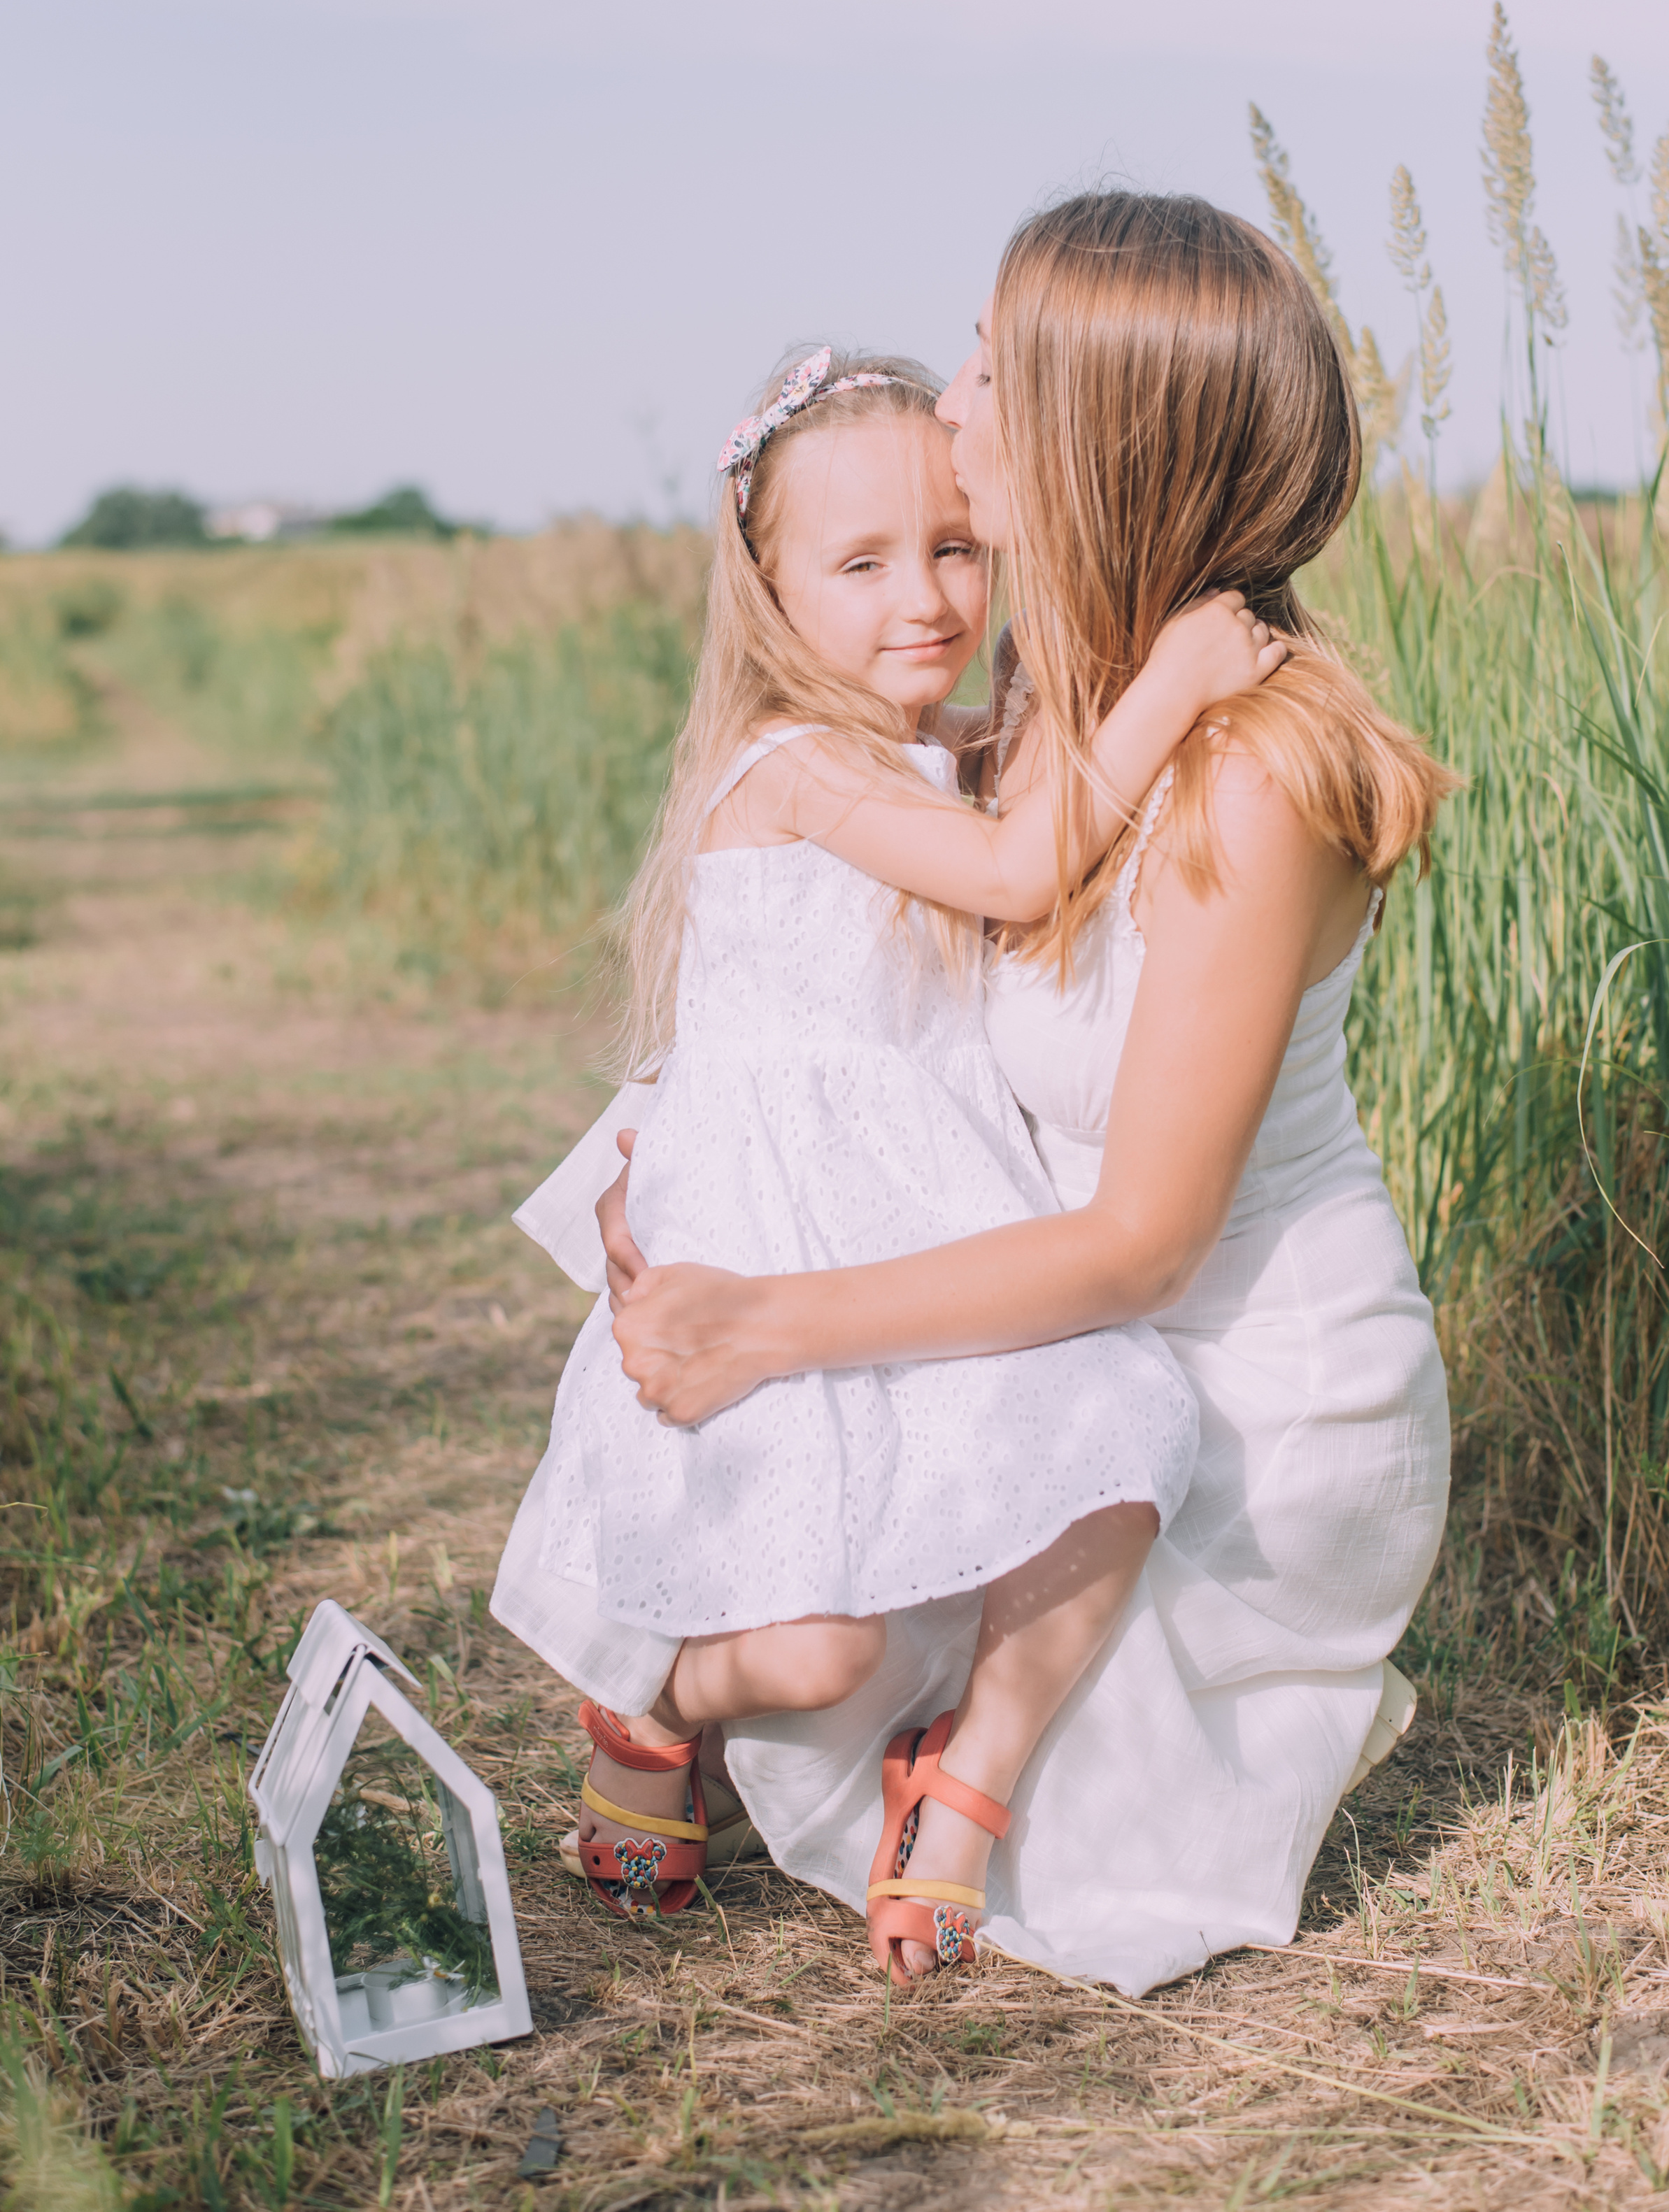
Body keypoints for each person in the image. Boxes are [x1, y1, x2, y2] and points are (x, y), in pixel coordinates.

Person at [599, 197, 1457, 1994]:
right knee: (812, 1617)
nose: (957, 397)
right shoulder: (1041, 711)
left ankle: (925, 1735)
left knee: (985, 1770)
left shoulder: (1249, 772)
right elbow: (826, 1007)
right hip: (1057, 1339)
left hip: (1225, 1406)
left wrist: (770, 1321)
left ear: (1089, 427)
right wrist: (673, 1179)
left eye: (991, 364)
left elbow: (1144, 1248)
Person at [492, 343, 1285, 1959]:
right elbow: (1011, 872)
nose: (921, 595)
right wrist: (1179, 679)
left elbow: (1022, 831)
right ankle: (645, 1700)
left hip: (913, 1215)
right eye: (856, 565)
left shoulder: (931, 751)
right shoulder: (787, 767)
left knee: (1120, 1437)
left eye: (951, 545)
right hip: (774, 1247)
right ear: (769, 591)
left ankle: (968, 1775)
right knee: (806, 1653)